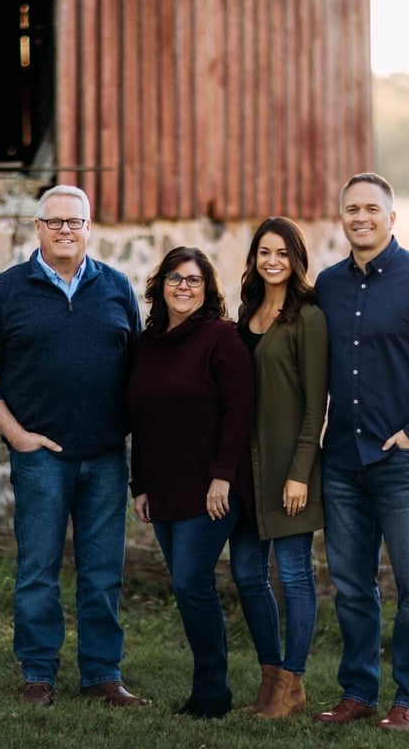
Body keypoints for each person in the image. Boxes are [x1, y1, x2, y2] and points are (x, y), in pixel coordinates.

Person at [0, 184, 148, 708]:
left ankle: (102, 676)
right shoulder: (6, 290)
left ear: (89, 229)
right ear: (37, 228)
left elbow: (138, 370)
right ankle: (39, 674)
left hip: (107, 456)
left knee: (102, 572)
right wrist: (17, 435)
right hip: (40, 457)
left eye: (75, 222)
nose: (66, 230)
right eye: (55, 222)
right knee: (38, 570)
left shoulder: (116, 287)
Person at [312, 172, 409, 732]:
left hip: (403, 460)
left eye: (371, 209)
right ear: (342, 217)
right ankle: (358, 691)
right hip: (342, 462)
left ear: (391, 217)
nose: (361, 217)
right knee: (352, 588)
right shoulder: (327, 286)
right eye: (351, 208)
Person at [127, 247, 255, 720]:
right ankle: (209, 687)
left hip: (211, 487)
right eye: (176, 279)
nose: (184, 287)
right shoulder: (146, 344)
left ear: (208, 289)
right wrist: (138, 483)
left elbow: (239, 411)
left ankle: (211, 691)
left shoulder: (222, 338)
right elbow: (139, 416)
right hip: (161, 486)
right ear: (161, 285)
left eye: (194, 280)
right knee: (187, 584)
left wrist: (222, 477)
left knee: (190, 582)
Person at [233, 217, 329, 718]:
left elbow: (317, 405)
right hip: (248, 469)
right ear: (254, 259)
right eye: (264, 252)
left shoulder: (308, 317)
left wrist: (299, 472)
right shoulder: (247, 313)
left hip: (291, 469)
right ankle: (272, 678)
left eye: (282, 253)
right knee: (247, 572)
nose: (273, 262)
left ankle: (293, 683)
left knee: (293, 575)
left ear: (296, 259)